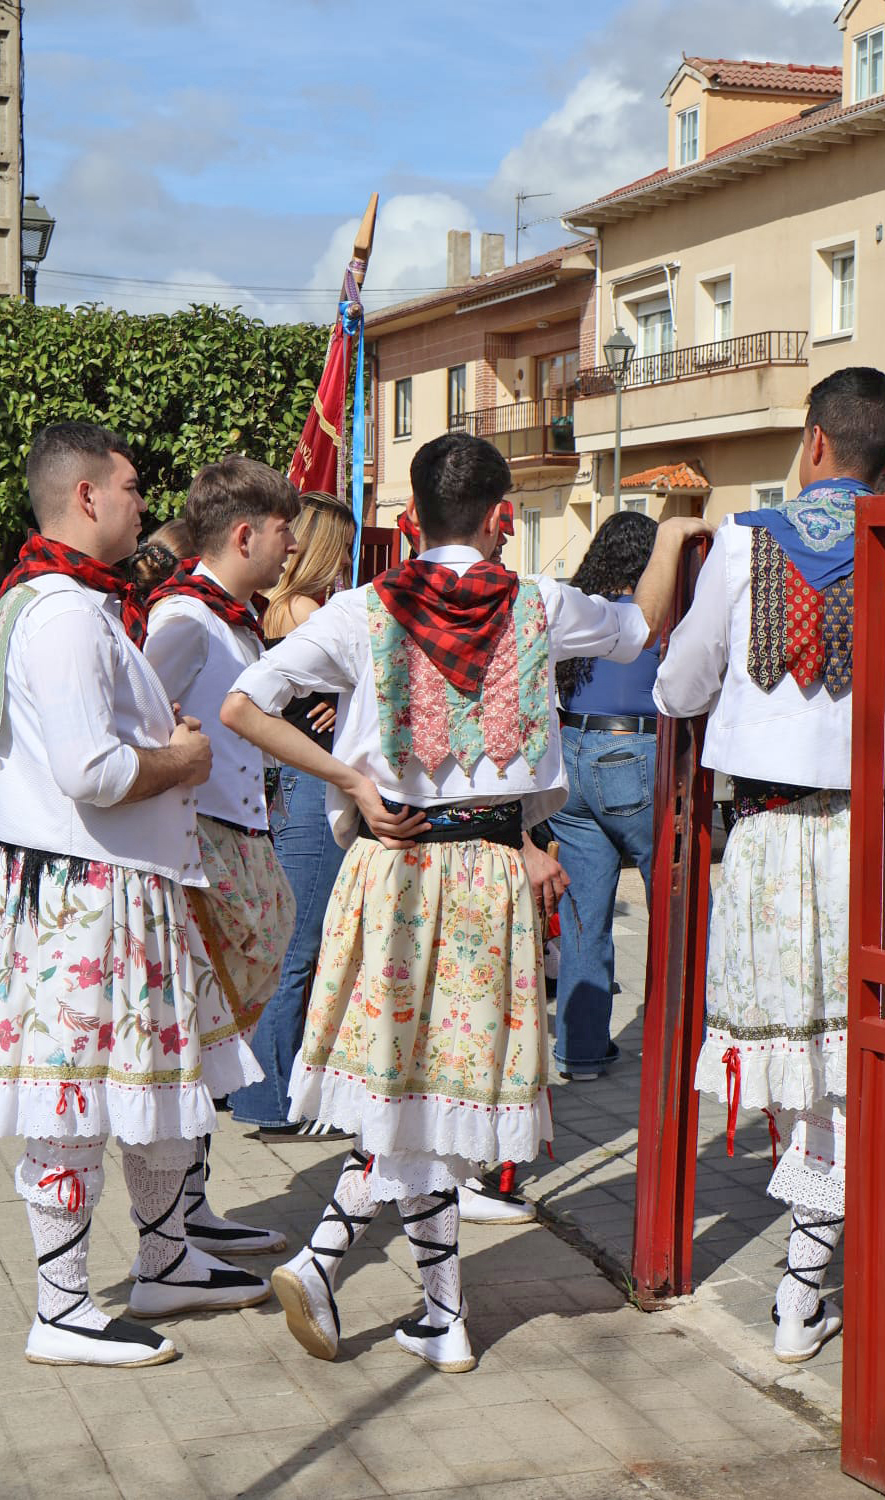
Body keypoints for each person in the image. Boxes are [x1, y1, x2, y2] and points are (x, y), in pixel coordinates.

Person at [221, 431, 709, 1373]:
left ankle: (380, 1287)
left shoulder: (361, 612)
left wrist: (353, 781)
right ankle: (425, 1311)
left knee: (404, 1090)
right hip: (487, 870)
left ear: (411, 522)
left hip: (393, 868)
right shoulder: (539, 604)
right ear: (499, 519)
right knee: (441, 1092)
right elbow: (640, 627)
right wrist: (674, 539)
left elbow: (245, 702)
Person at [0, 422, 271, 1370]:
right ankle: (59, 1309)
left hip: (109, 890)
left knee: (149, 1094)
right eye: (131, 486)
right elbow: (89, 770)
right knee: (76, 1102)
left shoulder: (64, 601)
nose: (144, 501)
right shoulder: (61, 613)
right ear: (87, 497)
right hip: (86, 897)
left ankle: (166, 1258)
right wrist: (185, 756)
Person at [653, 367, 885, 1363]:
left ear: (811, 444)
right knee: (852, 1061)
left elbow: (679, 686)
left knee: (803, 1067)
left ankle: (801, 1289)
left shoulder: (747, 541)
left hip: (760, 836)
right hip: (871, 838)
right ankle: (807, 1283)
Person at [143, 456, 301, 1255]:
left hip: (234, 839)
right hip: (198, 849)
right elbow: (138, 725)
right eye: (283, 533)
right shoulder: (183, 619)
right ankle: (170, 1224)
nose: (292, 548)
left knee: (221, 1034)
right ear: (246, 534)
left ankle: (192, 1205)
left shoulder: (225, 616)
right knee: (203, 1036)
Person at [228, 491, 355, 1142]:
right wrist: (345, 692)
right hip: (308, 787)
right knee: (298, 949)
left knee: (284, 945)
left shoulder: (272, 608)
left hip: (284, 786)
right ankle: (272, 1101)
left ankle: (268, 1093)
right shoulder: (306, 611)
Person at [551, 512, 661, 1081]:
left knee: (582, 917)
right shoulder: (654, 618)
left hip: (571, 756)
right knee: (679, 907)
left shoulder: (582, 613)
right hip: (633, 757)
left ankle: (582, 1051)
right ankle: (684, 1039)